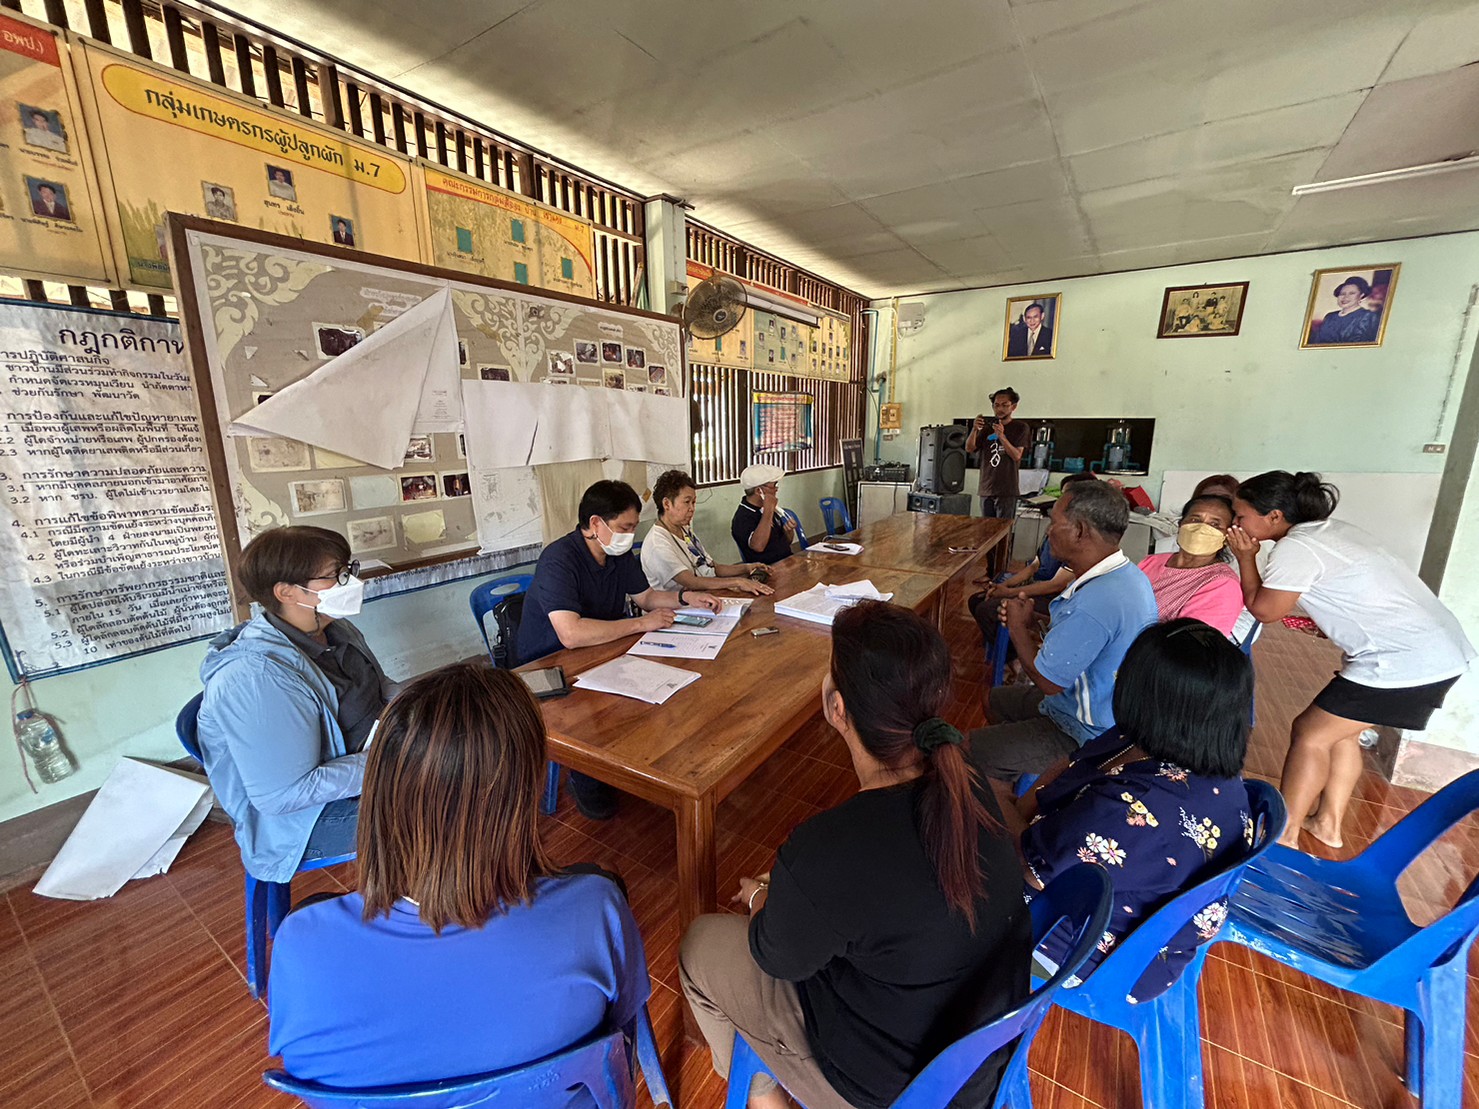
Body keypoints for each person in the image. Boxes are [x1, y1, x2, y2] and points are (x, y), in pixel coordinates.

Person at [680, 601, 1031, 1109]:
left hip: (893, 1088)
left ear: (836, 706)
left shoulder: (829, 847)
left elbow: (776, 957)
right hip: (976, 1061)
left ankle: (762, 1097)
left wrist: (760, 898)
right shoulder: (968, 785)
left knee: (701, 943)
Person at [268, 662, 649, 1092]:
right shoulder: (596, 909)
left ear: (378, 792)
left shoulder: (301, 946)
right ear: (522, 794)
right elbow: (619, 1032)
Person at [999, 620, 1254, 1000]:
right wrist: (1016, 808)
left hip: (1081, 950)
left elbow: (1031, 872)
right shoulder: (1174, 750)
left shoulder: (1137, 811)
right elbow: (1066, 768)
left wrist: (994, 800)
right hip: (1084, 889)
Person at [1228, 471, 1473, 849]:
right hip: (1435, 652)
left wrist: (1246, 558)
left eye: (1241, 516)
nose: (1236, 524)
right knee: (1342, 735)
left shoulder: (1297, 548)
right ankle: (1327, 825)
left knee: (1310, 734)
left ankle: (1285, 835)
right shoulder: (1330, 531)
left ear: (1274, 516)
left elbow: (1264, 610)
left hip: (1403, 661)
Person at [197, 526, 391, 883]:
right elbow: (283, 795)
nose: (350, 582)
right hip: (305, 822)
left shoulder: (336, 630)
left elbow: (380, 691)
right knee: (458, 801)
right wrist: (397, 760)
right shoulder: (254, 678)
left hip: (370, 763)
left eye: (348, 570)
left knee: (478, 757)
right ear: (286, 592)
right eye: (335, 575)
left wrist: (433, 703)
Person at [518, 480, 722, 819]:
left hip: (604, 648)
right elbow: (571, 634)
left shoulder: (617, 554)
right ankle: (586, 772)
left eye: (632, 527)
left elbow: (646, 597)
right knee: (595, 717)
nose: (629, 535)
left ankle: (625, 762)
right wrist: (641, 624)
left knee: (658, 692)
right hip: (550, 663)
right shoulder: (559, 559)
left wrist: (686, 598)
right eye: (624, 527)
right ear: (595, 523)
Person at [968, 479, 1157, 780]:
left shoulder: (1096, 600)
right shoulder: (1125, 575)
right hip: (1094, 705)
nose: (1048, 531)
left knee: (967, 752)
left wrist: (1017, 628)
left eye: (1054, 522)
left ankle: (1011, 792)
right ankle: (1014, 771)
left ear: (1080, 531)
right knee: (994, 700)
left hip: (1089, 730)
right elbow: (1085, 640)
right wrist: (1033, 621)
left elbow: (1048, 682)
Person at [966, 472, 1097, 648]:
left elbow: (1056, 585)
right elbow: (1034, 566)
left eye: (1068, 496)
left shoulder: (1083, 540)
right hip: (1037, 588)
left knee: (988, 609)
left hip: (1054, 599)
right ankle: (1002, 648)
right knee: (977, 600)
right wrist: (1005, 585)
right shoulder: (1056, 529)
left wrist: (1009, 593)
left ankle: (1016, 658)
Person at [642, 469, 775, 596]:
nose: (692, 508)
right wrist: (737, 582)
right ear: (666, 504)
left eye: (694, 502)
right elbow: (691, 582)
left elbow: (712, 567)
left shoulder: (684, 530)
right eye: (687, 502)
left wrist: (747, 568)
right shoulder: (658, 544)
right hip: (676, 606)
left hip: (701, 596)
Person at [1137, 494, 1243, 638]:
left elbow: (1191, 644)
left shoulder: (1222, 584)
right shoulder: (1151, 562)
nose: (1201, 529)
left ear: (1227, 537)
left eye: (1215, 524)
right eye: (1195, 520)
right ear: (1181, 524)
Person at [964, 387, 1031, 519]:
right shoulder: (987, 428)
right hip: (986, 488)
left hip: (1006, 490)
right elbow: (969, 448)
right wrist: (974, 429)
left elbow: (1017, 455)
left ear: (1013, 407)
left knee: (1003, 528)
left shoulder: (1021, 427)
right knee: (986, 528)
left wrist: (1001, 436)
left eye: (1005, 405)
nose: (1000, 409)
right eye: (996, 405)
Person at [731, 463, 796, 565]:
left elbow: (786, 543)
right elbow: (758, 546)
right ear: (758, 491)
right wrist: (768, 511)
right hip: (768, 568)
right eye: (774, 486)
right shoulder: (742, 517)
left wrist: (788, 531)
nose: (776, 489)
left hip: (787, 562)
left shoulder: (766, 510)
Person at [1308, 276, 1382, 345]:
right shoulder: (1330, 316)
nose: (1345, 297)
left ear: (1361, 295)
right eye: (1342, 294)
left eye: (1351, 293)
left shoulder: (1368, 316)